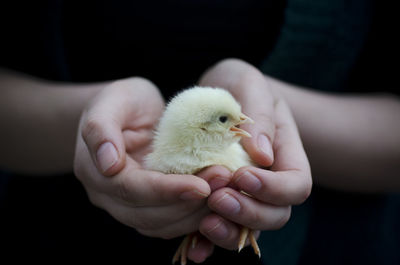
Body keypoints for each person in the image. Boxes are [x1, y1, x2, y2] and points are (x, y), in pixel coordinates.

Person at [1, 0, 399, 264]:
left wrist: (273, 103)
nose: (243, 125)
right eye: (230, 121)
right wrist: (89, 124)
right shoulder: (204, 138)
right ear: (204, 125)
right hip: (55, 238)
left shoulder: (222, 133)